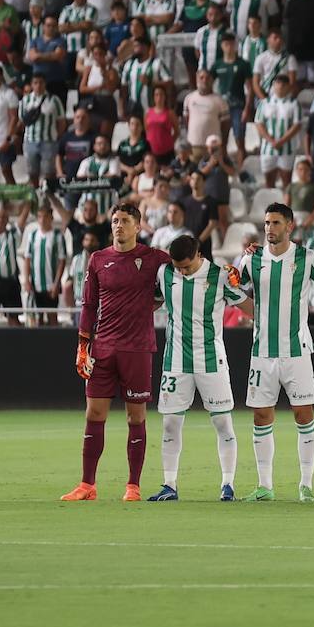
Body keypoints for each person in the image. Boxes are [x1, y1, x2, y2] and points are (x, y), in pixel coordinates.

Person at [61, 203, 173, 502]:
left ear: (138, 226)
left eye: (125, 221)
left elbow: (187, 267)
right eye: (114, 221)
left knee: (135, 417)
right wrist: (83, 346)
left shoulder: (153, 258)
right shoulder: (98, 259)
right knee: (94, 413)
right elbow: (88, 305)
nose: (118, 226)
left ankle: (133, 486)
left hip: (137, 349)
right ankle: (87, 485)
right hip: (103, 348)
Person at [234, 203, 314, 503]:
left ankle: (306, 484)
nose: (269, 228)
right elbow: (235, 292)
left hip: (296, 350)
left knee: (304, 415)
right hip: (262, 351)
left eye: (276, 222)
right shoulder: (251, 261)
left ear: (289, 226)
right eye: (266, 223)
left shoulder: (307, 258)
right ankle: (265, 485)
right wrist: (259, 316)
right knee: (261, 416)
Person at [147, 234, 248, 502]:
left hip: (211, 360)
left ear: (199, 255)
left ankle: (228, 484)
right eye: (178, 267)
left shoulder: (220, 276)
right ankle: (169, 485)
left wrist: (243, 284)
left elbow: (249, 306)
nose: (181, 271)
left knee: (222, 422)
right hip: (176, 361)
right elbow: (153, 302)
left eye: (186, 267)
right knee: (170, 424)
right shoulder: (164, 274)